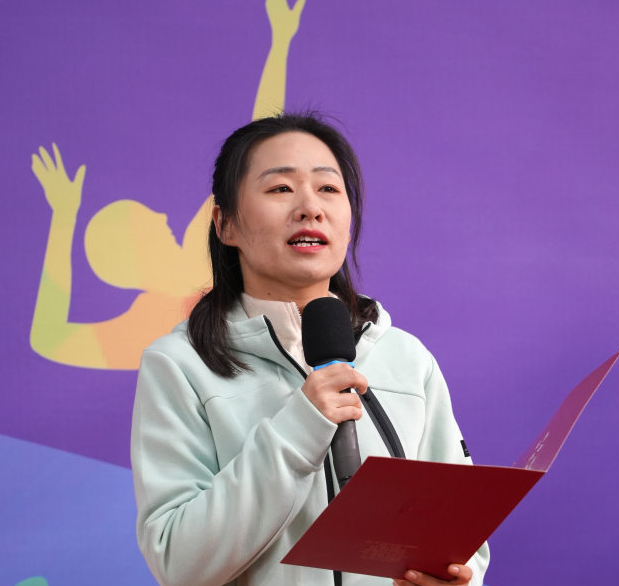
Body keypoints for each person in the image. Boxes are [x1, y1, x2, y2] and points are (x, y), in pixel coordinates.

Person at [130, 112, 490, 586]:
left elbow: (460, 535)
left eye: (328, 188)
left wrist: (456, 576)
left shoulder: (407, 358)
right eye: (281, 188)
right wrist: (298, 429)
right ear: (225, 223)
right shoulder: (180, 365)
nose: (310, 208)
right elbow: (179, 562)